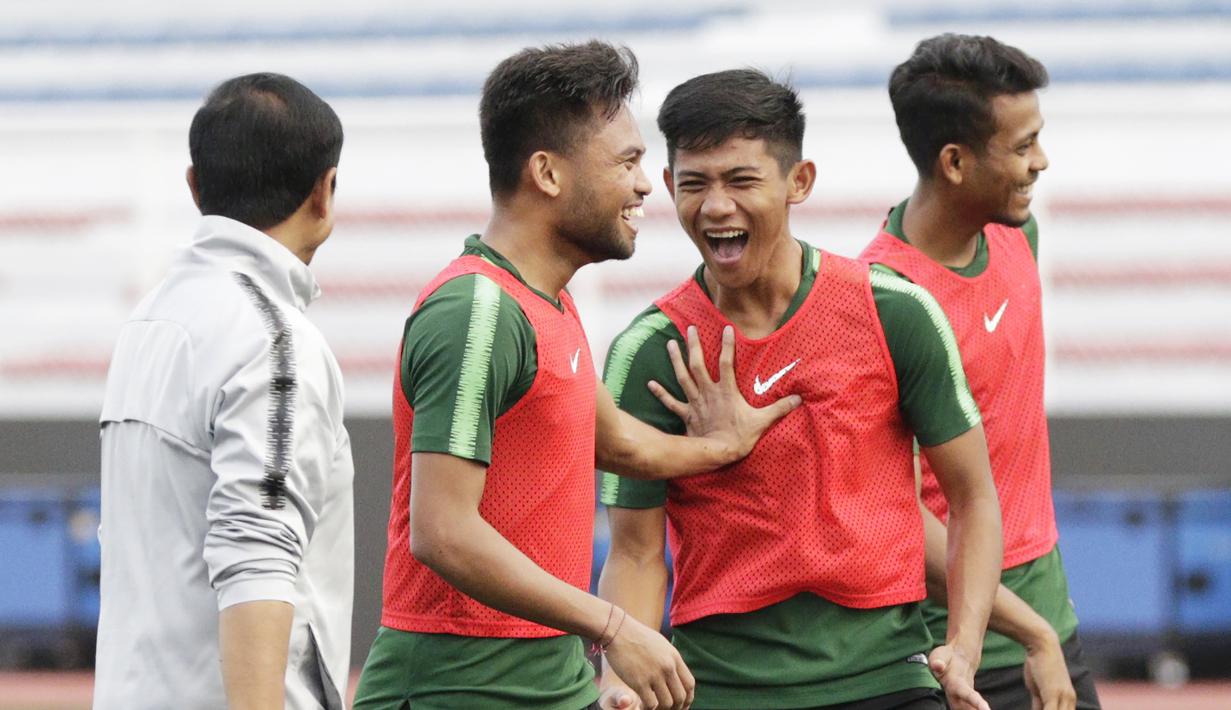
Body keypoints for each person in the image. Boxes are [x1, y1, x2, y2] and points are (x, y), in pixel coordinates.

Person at [352, 42, 799, 710]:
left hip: (550, 682)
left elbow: (618, 445)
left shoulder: (548, 303)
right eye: (627, 162)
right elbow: (441, 531)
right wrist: (614, 625)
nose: (647, 185)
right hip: (459, 686)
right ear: (548, 174)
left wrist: (724, 446)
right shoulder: (476, 311)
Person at [597, 69, 1003, 710]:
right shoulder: (649, 350)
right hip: (722, 689)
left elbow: (973, 498)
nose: (716, 205)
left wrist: (965, 644)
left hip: (891, 679)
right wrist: (622, 677)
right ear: (670, 186)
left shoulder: (893, 312)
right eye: (695, 183)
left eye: (741, 180)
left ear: (799, 182)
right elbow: (637, 553)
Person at [94, 73, 352, 710]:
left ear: (194, 186)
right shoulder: (274, 341)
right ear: (325, 191)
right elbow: (256, 561)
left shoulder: (148, 323)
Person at [859, 34, 1102, 710]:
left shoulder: (1015, 233)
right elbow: (898, 511)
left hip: (1049, 625)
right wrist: (1023, 633)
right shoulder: (878, 303)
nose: (1040, 162)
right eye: (1021, 146)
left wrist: (1042, 631)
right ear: (954, 162)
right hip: (946, 654)